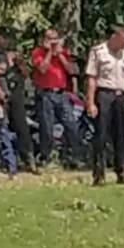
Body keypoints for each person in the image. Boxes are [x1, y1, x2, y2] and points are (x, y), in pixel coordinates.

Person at [85, 24, 124, 186]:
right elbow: (91, 77)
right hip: (104, 94)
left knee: (121, 135)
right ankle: (99, 173)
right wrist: (91, 102)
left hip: (121, 95)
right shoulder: (98, 52)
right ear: (114, 37)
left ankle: (122, 170)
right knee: (101, 135)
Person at [30, 28, 83, 168]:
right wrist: (49, 52)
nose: (52, 41)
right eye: (49, 38)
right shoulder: (37, 52)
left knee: (71, 124)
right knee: (47, 127)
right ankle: (45, 157)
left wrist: (60, 55)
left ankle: (74, 156)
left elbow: (71, 70)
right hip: (45, 93)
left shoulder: (62, 52)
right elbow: (42, 69)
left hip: (61, 93)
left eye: (55, 38)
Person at [0, 28, 36, 174]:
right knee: (0, 129)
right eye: (3, 38)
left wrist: (20, 63)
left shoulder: (15, 54)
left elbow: (27, 74)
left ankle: (29, 160)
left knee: (22, 129)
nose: (6, 41)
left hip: (16, 95)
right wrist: (8, 63)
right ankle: (4, 163)